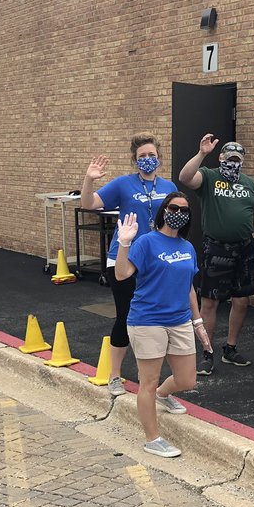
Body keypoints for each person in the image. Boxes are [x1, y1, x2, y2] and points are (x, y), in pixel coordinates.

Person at [113, 191, 211, 458]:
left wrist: (198, 321)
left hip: (179, 321)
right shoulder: (146, 242)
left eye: (184, 209)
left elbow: (189, 286)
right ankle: (152, 438)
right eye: (173, 207)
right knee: (148, 380)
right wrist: (124, 244)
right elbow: (122, 274)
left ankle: (163, 394)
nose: (178, 212)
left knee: (186, 379)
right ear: (164, 209)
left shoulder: (187, 247)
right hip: (148, 321)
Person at [81, 134, 178, 389]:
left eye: (151, 155)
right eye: (142, 156)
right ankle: (114, 375)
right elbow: (89, 203)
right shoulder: (123, 184)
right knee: (126, 316)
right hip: (124, 259)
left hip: (156, 262)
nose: (147, 160)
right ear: (135, 160)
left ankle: (152, 380)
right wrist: (89, 179)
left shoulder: (168, 187)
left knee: (156, 319)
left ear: (160, 158)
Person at [179, 135, 254, 375]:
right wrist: (202, 154)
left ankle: (230, 348)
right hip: (217, 247)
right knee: (210, 302)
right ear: (221, 158)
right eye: (229, 158)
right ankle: (207, 353)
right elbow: (185, 178)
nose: (233, 163)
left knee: (242, 301)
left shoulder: (249, 183)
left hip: (244, 248)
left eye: (237, 159)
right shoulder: (210, 177)